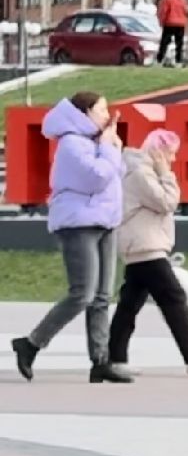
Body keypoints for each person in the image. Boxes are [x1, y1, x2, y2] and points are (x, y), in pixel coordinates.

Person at [11, 91, 132, 384]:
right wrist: (108, 148)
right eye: (102, 110)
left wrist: (114, 146)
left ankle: (100, 361)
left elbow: (118, 173)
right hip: (79, 224)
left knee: (102, 296)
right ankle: (31, 343)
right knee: (82, 293)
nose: (107, 115)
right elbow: (97, 178)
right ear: (86, 112)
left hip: (105, 222)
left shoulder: (96, 143)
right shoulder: (71, 144)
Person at [107, 130, 188, 379]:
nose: (172, 160)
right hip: (146, 246)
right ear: (158, 151)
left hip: (140, 246)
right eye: (170, 154)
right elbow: (167, 202)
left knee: (129, 305)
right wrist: (166, 174)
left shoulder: (136, 170)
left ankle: (114, 358)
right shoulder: (141, 173)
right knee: (174, 298)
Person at [157, 0, 188, 66]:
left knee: (164, 42)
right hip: (181, 24)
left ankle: (160, 58)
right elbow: (186, 11)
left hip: (169, 23)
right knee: (179, 43)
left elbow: (164, 11)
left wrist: (161, 21)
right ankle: (179, 59)